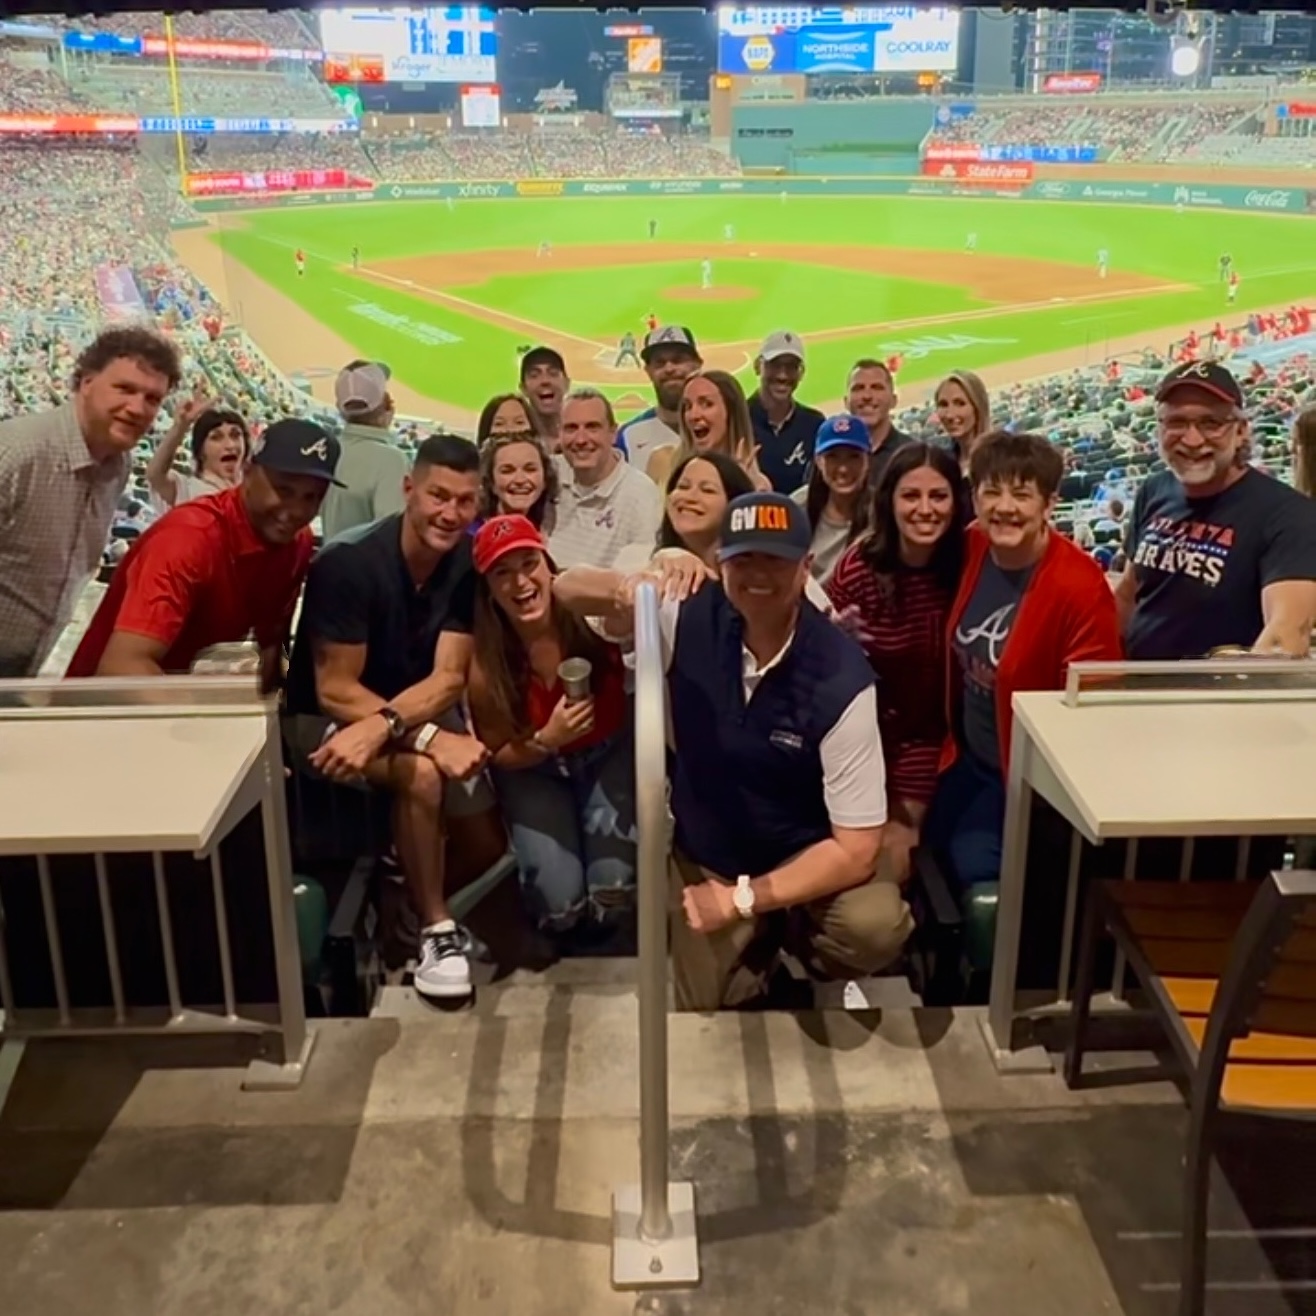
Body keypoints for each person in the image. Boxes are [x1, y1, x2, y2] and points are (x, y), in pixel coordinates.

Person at [556, 492, 913, 1010]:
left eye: (776, 558)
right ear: (720, 561)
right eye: (743, 557)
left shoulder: (842, 677)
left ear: (805, 567)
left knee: (873, 927)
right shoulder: (687, 611)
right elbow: (565, 588)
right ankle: (760, 951)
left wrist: (742, 899)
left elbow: (856, 849)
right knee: (709, 1009)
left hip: (807, 851)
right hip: (714, 850)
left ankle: (801, 943)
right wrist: (639, 580)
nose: (758, 574)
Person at [284, 435, 505, 1002]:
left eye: (463, 500)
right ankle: (435, 928)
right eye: (438, 496)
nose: (449, 513)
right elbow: (334, 689)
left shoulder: (463, 562)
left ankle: (401, 906)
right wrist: (428, 737)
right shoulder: (348, 563)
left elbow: (448, 677)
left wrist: (397, 728)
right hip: (323, 720)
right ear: (409, 489)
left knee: (485, 840)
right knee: (424, 774)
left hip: (392, 717)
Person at [923, 431, 1122, 895]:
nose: (1004, 507)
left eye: (1021, 493)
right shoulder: (973, 546)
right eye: (991, 491)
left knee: (971, 865)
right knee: (920, 840)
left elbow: (1093, 711)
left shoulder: (1080, 588)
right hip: (967, 756)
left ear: (1049, 504)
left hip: (1024, 781)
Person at [66, 418, 339, 686]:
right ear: (248, 471)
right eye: (283, 490)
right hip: (92, 714)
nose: (297, 511)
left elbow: (272, 647)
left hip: (168, 696)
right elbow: (121, 668)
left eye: (312, 497)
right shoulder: (188, 539)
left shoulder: (297, 542)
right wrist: (208, 718)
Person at [468, 515, 636, 942]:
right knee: (559, 906)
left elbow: (631, 597)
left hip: (606, 755)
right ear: (488, 590)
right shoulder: (485, 658)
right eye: (502, 573)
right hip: (533, 769)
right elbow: (498, 751)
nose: (520, 582)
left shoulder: (584, 614)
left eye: (529, 564)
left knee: (613, 893)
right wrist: (547, 739)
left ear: (549, 567)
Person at [0, 325, 181, 678]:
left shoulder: (119, 464)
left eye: (152, 399)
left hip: (26, 673)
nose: (137, 408)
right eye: (125, 389)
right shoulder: (17, 452)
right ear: (85, 382)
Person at [826, 442, 968, 886]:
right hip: (858, 739)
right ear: (889, 500)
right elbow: (818, 645)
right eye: (911, 496)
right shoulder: (860, 566)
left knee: (897, 855)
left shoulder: (969, 563)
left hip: (931, 742)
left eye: (938, 496)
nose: (925, 509)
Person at [1117, 361, 1316, 659]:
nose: (1192, 439)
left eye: (1211, 423)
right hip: (1131, 689)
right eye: (1176, 422)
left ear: (1240, 432)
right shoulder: (1154, 490)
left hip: (1219, 698)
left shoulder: (1289, 515)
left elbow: (1285, 635)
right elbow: (1127, 594)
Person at [548, 390, 661, 569]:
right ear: (559, 434)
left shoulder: (640, 494)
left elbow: (635, 579)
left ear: (613, 433)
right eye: (571, 428)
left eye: (592, 427)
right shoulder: (546, 475)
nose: (581, 439)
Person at [320, 359, 409, 541]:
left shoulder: (325, 451)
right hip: (365, 568)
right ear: (387, 404)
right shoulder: (391, 461)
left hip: (329, 562)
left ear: (340, 409)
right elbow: (392, 540)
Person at [647, 370, 770, 494]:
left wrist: (743, 488)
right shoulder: (662, 462)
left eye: (707, 404)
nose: (693, 415)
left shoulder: (758, 485)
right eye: (688, 406)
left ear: (731, 412)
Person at [791, 415, 871, 586]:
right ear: (819, 461)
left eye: (853, 457)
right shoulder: (797, 507)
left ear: (867, 461)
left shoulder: (882, 512)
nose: (843, 468)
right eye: (833, 457)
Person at [616, 325, 703, 473]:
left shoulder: (722, 427)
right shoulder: (628, 436)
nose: (669, 368)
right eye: (659, 363)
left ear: (697, 365)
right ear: (648, 371)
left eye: (678, 360)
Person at [748, 331, 825, 494]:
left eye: (791, 367)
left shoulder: (815, 424)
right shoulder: (737, 418)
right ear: (757, 366)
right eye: (775, 365)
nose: (782, 375)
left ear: (801, 373)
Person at [145, 395, 249, 510]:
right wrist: (180, 427)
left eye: (236, 435)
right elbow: (155, 475)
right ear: (200, 451)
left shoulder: (253, 494)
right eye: (216, 437)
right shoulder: (188, 490)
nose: (230, 445)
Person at [845, 358, 912, 490]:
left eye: (877, 387)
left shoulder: (912, 455)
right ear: (846, 402)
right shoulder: (831, 456)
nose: (867, 396)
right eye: (858, 388)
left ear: (894, 400)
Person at [479, 429, 559, 534]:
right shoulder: (472, 534)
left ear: (545, 479)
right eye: (507, 471)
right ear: (491, 482)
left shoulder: (551, 531)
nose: (520, 480)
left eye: (530, 469)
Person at [933, 369, 992, 478]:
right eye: (943, 404)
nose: (949, 415)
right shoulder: (941, 464)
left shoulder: (1002, 459)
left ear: (978, 406)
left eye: (960, 403)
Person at [519, 345, 569, 448]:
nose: (545, 381)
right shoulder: (516, 443)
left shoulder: (585, 439)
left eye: (553, 373)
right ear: (523, 388)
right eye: (534, 375)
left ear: (566, 383)